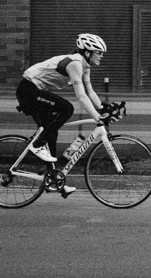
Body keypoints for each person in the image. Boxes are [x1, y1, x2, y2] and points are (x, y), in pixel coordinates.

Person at [16, 33, 112, 196]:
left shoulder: (84, 66)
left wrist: (103, 109)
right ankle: (38, 144)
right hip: (29, 90)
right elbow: (81, 97)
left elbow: (90, 92)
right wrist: (97, 117)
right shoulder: (75, 63)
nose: (102, 56)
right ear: (88, 53)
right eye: (99, 52)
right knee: (66, 108)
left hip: (37, 91)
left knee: (51, 132)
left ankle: (53, 180)